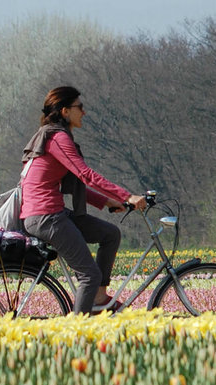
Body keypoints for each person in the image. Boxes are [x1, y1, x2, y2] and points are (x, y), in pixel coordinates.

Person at [19, 86, 147, 315]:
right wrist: (127, 195)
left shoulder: (53, 136)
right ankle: (77, 334)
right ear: (65, 111)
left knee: (110, 234)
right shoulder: (57, 138)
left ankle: (98, 298)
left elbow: (75, 185)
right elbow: (86, 176)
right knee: (89, 274)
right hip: (46, 217)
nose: (84, 112)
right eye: (80, 107)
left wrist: (110, 203)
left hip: (50, 214)